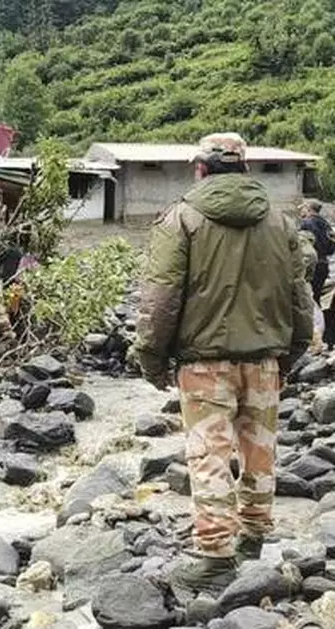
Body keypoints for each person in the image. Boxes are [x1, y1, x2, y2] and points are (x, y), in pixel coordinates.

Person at [133, 133, 312, 597]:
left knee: (209, 456)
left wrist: (152, 357)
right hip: (266, 358)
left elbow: (161, 298)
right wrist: (292, 352)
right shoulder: (280, 221)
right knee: (260, 450)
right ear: (245, 168)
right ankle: (254, 537)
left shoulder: (182, 218)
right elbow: (300, 295)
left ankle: (215, 555)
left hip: (204, 363)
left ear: (200, 169)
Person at [300, 200, 333, 306]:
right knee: (317, 297)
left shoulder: (306, 223)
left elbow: (300, 247)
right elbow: (331, 248)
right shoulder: (327, 225)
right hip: (324, 265)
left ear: (309, 209)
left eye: (303, 208)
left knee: (305, 299)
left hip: (310, 265)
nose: (301, 210)